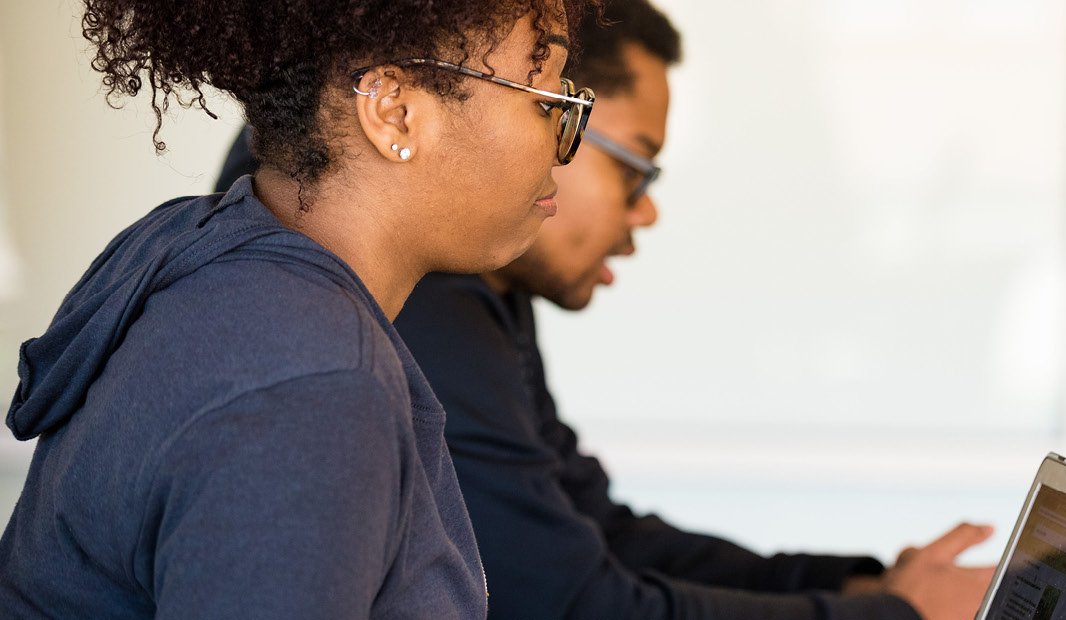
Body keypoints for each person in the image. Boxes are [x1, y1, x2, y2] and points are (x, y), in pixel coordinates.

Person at [216, 1, 997, 618]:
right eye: (552, 109)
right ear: (397, 111)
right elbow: (567, 603)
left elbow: (587, 534)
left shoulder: (417, 287)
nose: (555, 148)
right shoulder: (356, 344)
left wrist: (862, 593)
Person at [0, 0, 600, 617]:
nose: (562, 148)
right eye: (546, 98)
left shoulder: (216, 263)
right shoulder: (311, 384)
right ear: (394, 113)